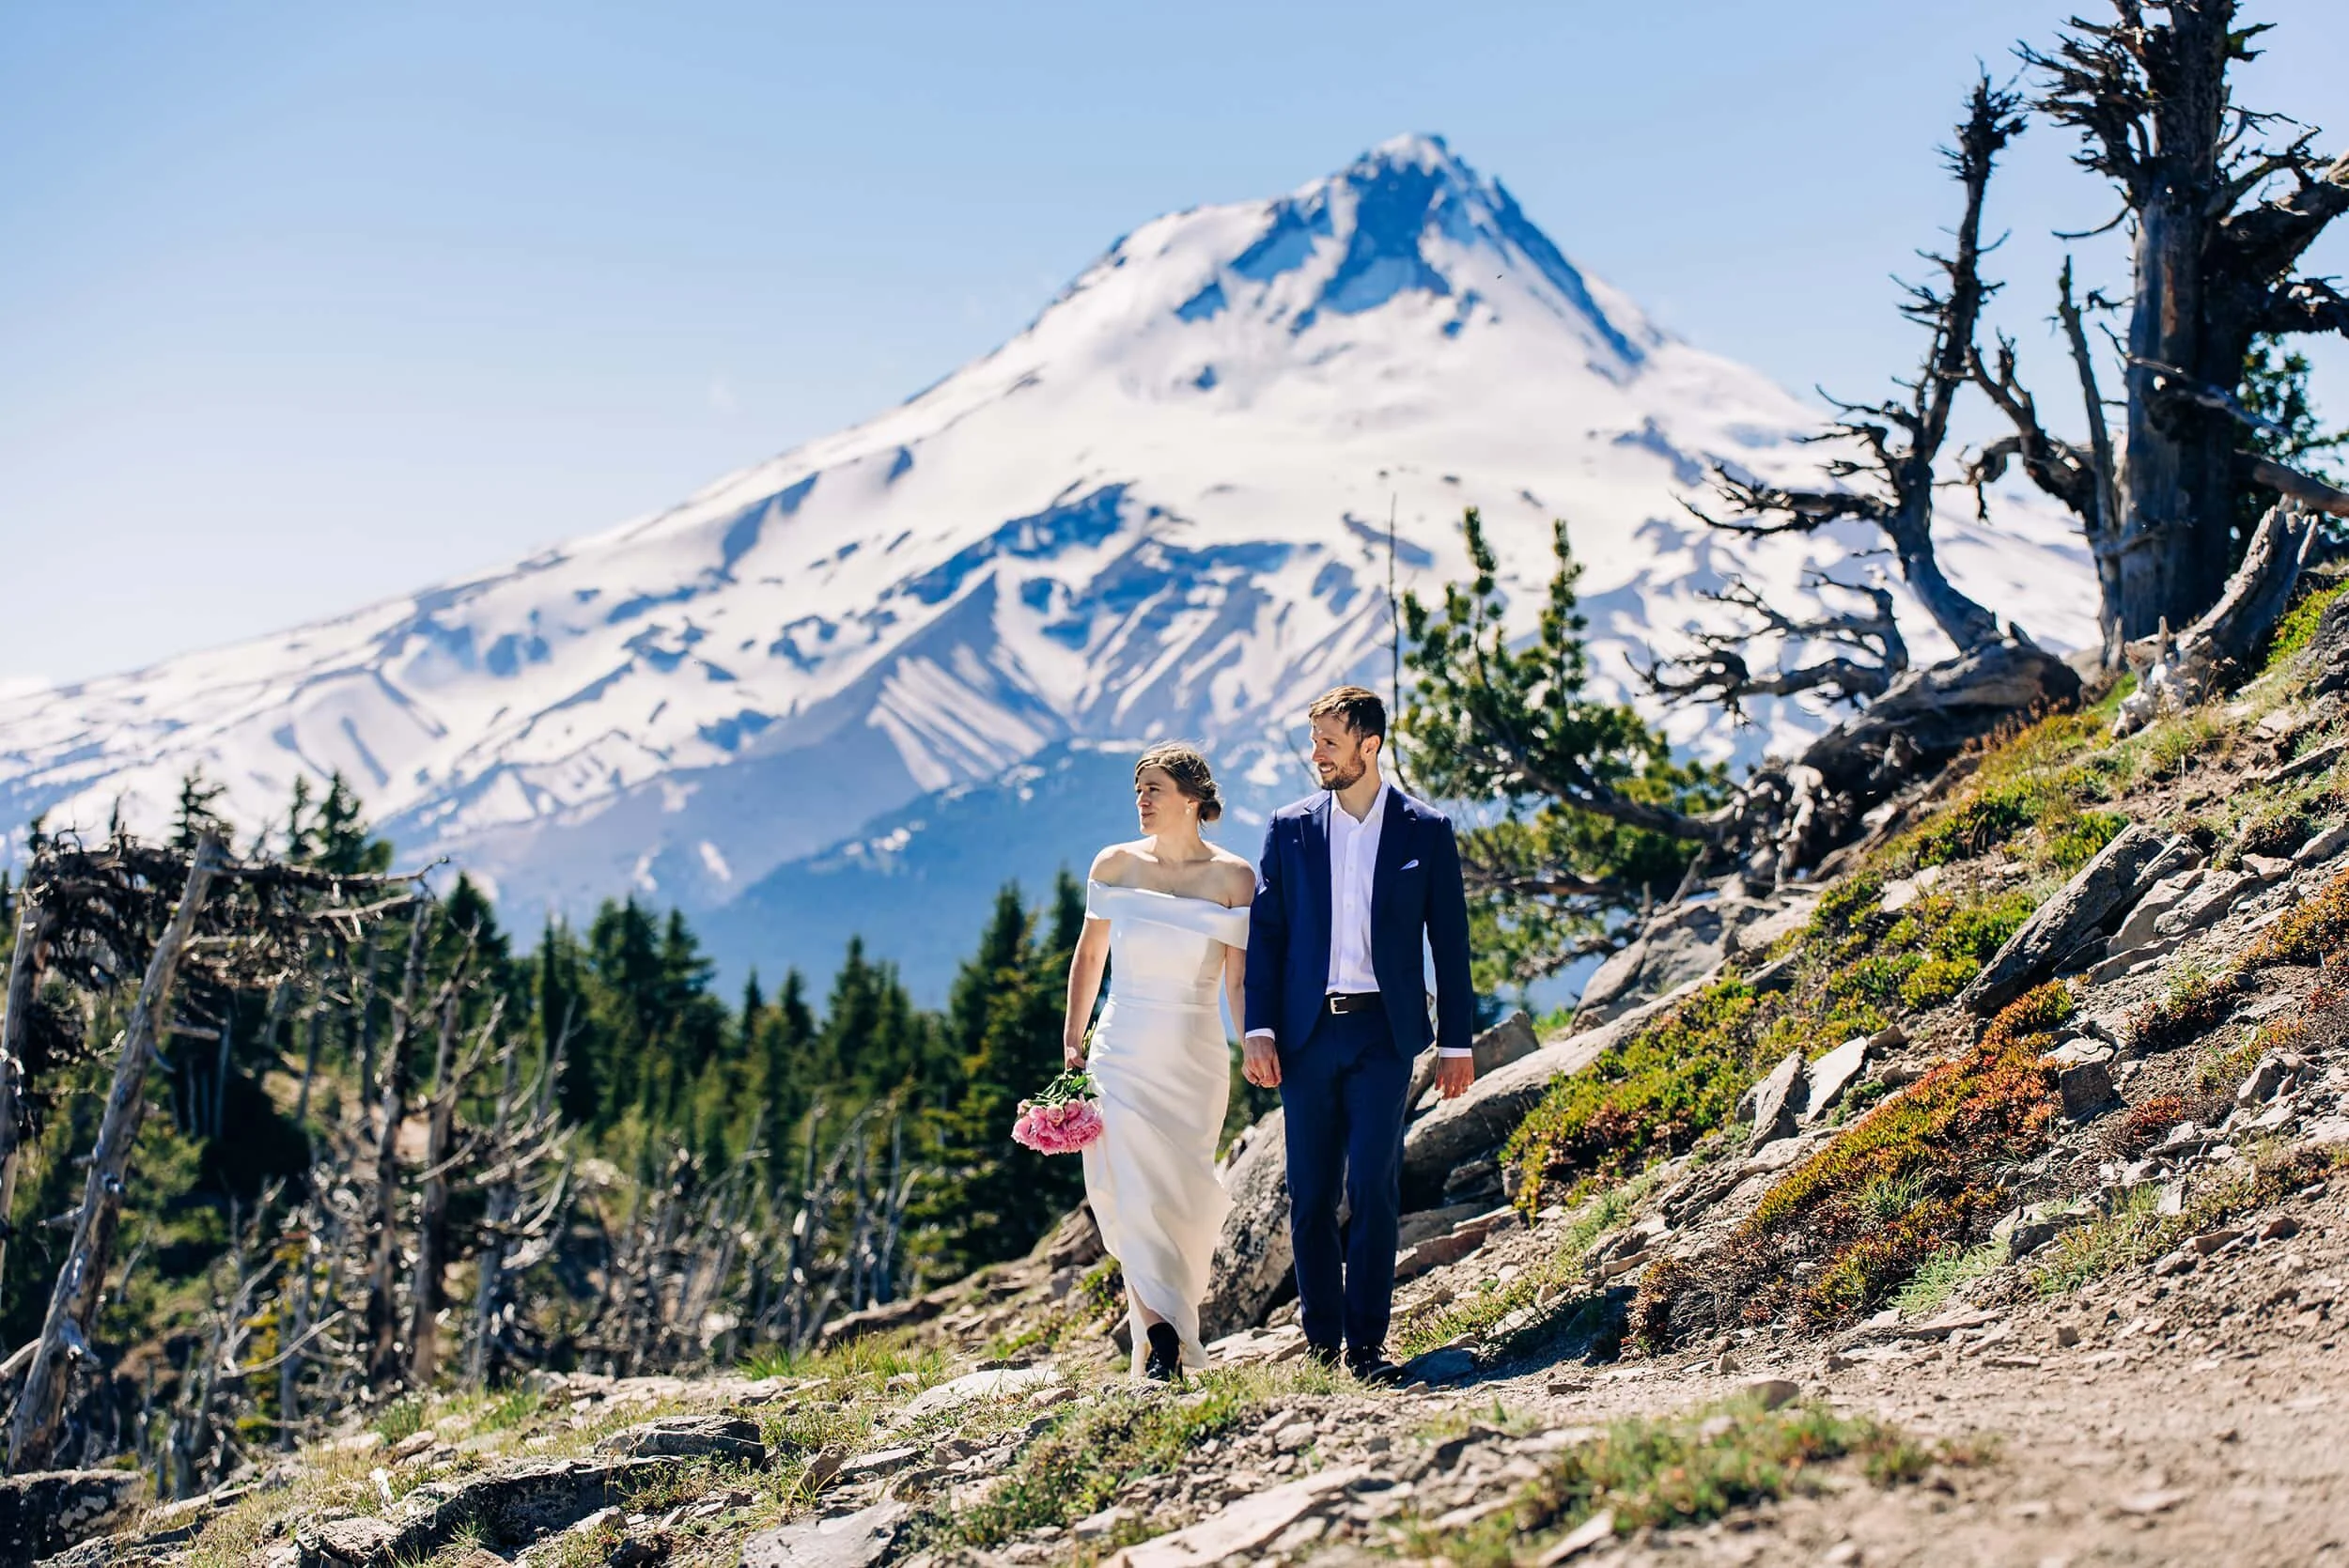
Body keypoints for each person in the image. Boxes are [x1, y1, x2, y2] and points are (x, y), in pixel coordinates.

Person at [1242, 686, 1476, 1385]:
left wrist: (1457, 1043)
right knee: (1311, 1194)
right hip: (1306, 1035)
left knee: (1373, 1186)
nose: (1316, 754)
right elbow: (1267, 935)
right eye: (1315, 740)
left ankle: (1367, 1345)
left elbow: (1451, 942)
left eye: (1329, 742)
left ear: (1368, 746)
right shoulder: (1289, 827)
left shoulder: (1425, 829)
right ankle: (1322, 1345)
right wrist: (1258, 1028)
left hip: (1384, 1033)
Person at [1062, 742, 1255, 1382]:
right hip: (1122, 1048)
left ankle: (1167, 1333)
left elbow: (1237, 980)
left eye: (1154, 789)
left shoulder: (1234, 878)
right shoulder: (1114, 864)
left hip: (1194, 1053)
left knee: (1182, 1197)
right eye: (1138, 790)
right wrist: (1073, 1037)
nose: (1141, 800)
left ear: (1193, 798)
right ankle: (1159, 1335)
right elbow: (1090, 956)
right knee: (1130, 1188)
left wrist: (1254, 1040)